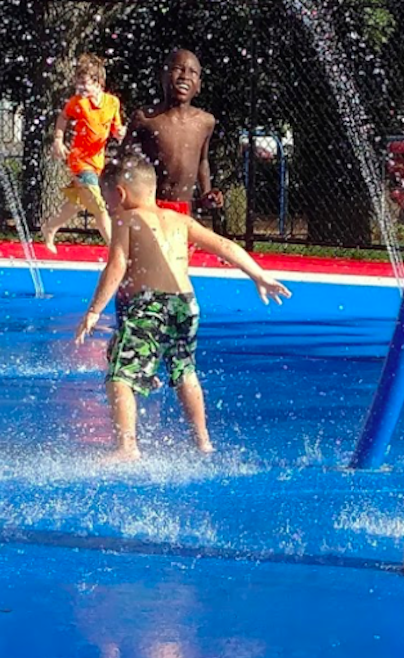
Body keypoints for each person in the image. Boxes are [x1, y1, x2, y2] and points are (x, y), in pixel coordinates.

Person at [74, 154, 291, 462]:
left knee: (120, 374)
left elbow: (117, 265)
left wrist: (94, 310)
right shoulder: (180, 220)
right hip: (186, 305)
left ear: (120, 194)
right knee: (185, 370)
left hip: (150, 303)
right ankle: (203, 442)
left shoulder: (126, 218)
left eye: (108, 201)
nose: (109, 208)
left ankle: (127, 447)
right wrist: (259, 275)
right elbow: (226, 246)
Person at [121, 49, 224, 217]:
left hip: (184, 209)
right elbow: (125, 159)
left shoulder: (205, 122)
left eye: (192, 72)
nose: (185, 76)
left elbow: (202, 162)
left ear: (198, 85)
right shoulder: (145, 118)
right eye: (178, 68)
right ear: (164, 76)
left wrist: (207, 193)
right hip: (148, 206)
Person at [41, 53, 125, 253]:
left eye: (85, 84)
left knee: (76, 204)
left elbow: (115, 129)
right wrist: (58, 141)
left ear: (99, 83)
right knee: (98, 204)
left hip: (97, 163)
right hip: (79, 161)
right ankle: (115, 248)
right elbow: (62, 118)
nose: (81, 89)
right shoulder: (78, 102)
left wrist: (120, 133)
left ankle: (49, 227)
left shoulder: (112, 103)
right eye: (78, 85)